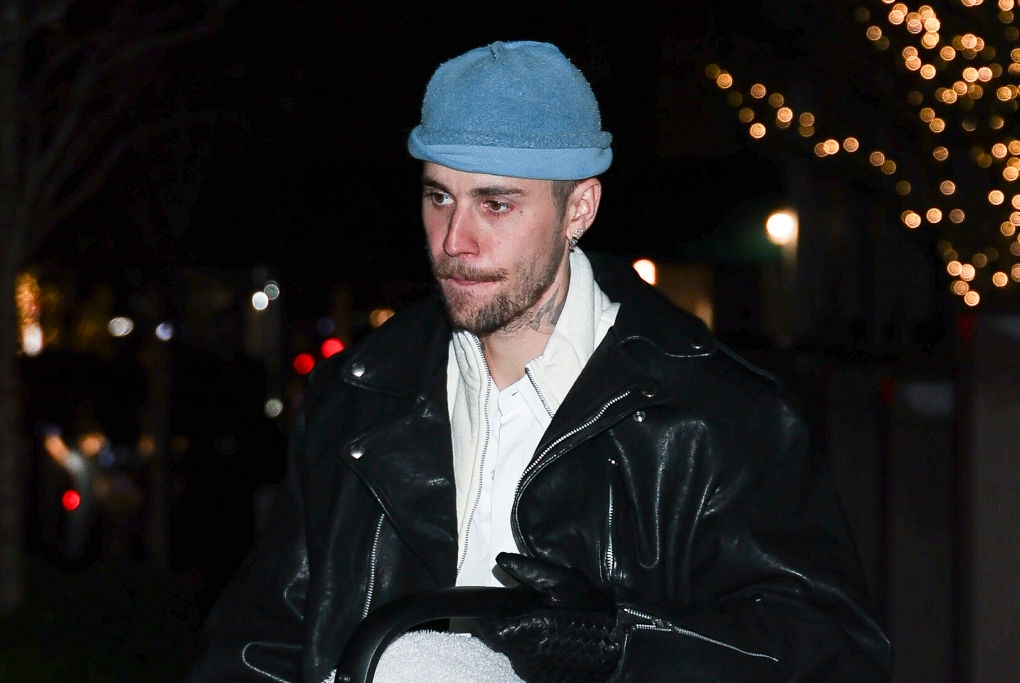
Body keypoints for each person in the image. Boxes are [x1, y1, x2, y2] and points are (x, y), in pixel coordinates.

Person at [185, 40, 891, 682]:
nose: (454, 239)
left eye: (496, 204)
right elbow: (260, 645)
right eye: (439, 197)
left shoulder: (714, 415)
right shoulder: (357, 398)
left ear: (578, 208)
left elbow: (831, 654)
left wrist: (625, 645)